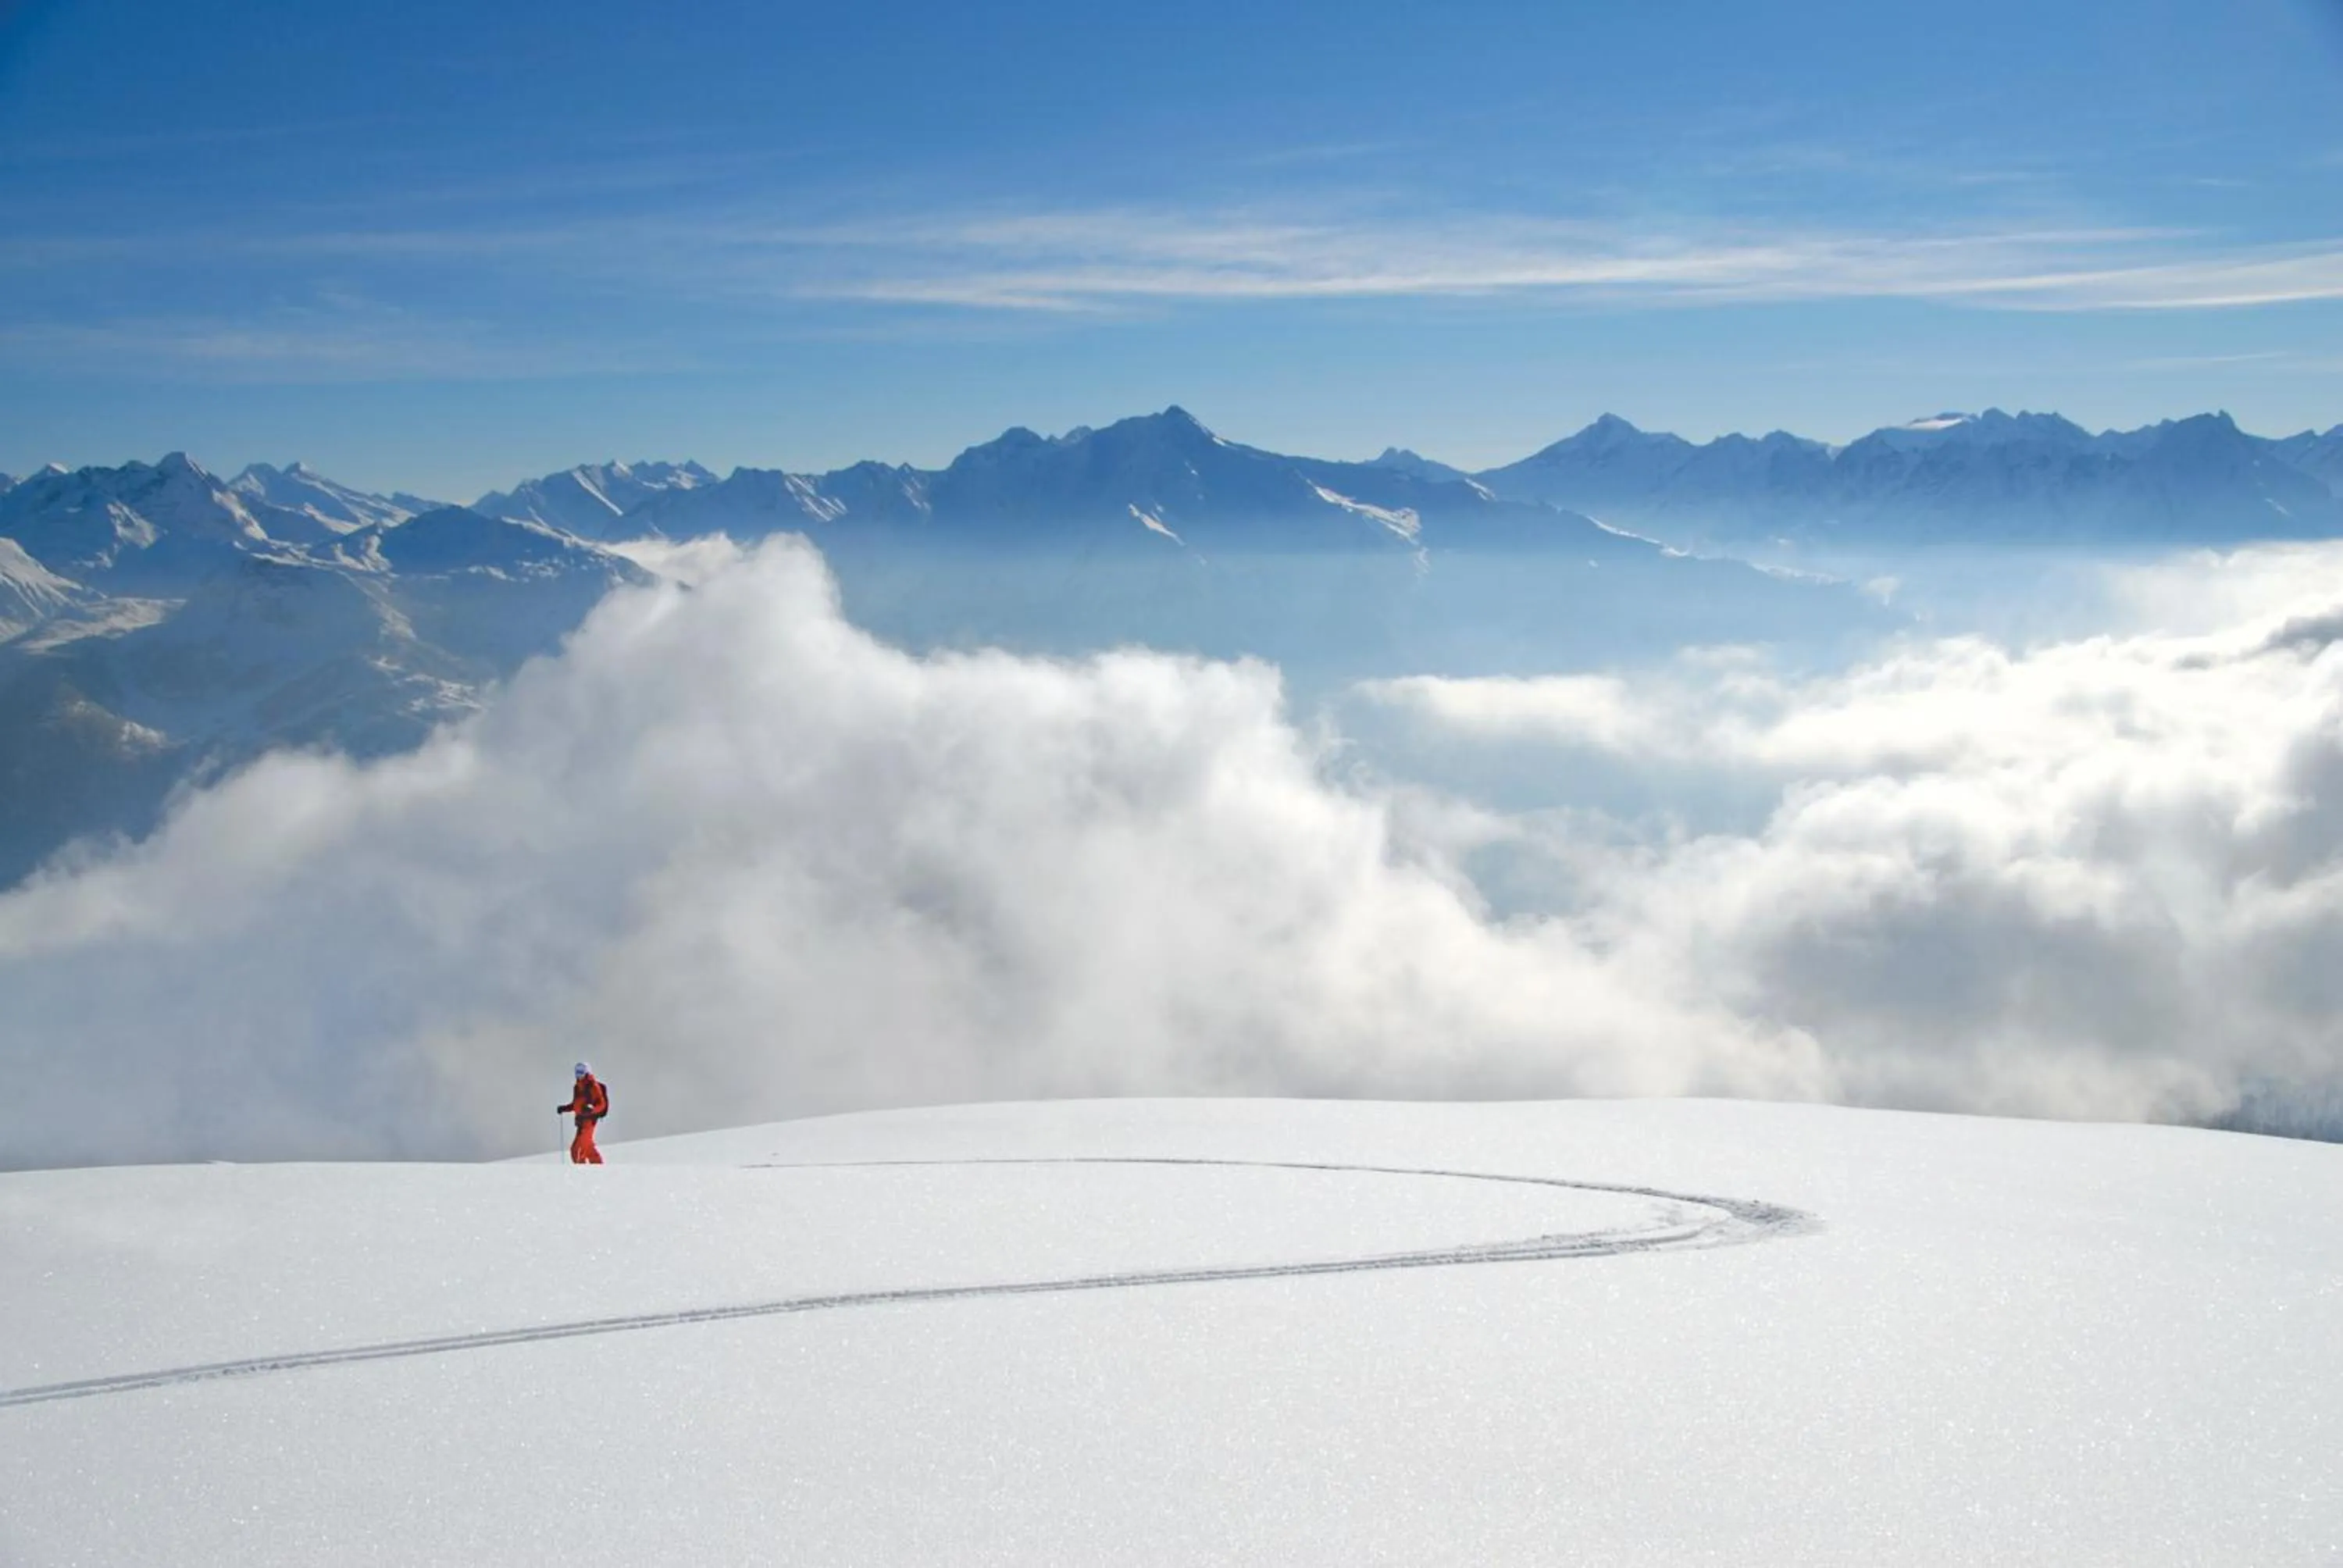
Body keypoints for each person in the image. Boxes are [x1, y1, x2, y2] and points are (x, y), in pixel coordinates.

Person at [558, 1061, 608, 1164]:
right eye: (577, 1072)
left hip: (589, 1122)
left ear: (587, 1072)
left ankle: (581, 1174)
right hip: (580, 1122)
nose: (579, 1075)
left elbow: (601, 1104)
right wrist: (565, 1108)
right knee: (586, 1149)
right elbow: (576, 1105)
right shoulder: (577, 1087)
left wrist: (592, 1109)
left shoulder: (593, 1086)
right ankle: (599, 1170)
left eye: (581, 1072)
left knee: (578, 1149)